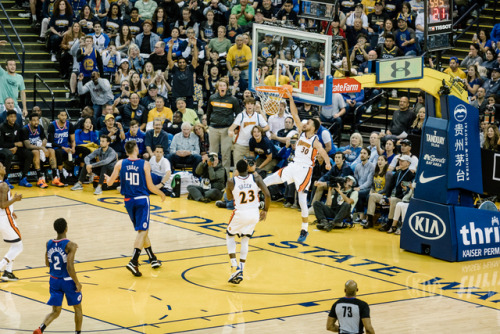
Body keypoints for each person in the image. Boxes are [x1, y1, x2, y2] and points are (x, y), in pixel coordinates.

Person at [264, 90, 331, 242]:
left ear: (314, 128)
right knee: (270, 179)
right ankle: (251, 196)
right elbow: (294, 114)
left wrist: (327, 162)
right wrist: (291, 98)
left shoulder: (315, 140)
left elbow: (322, 150)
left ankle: (304, 230)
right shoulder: (301, 132)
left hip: (305, 169)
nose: (305, 123)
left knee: (302, 200)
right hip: (294, 165)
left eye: (309, 123)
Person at [105, 140, 166, 277]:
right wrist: (161, 193)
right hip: (142, 199)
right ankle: (133, 260)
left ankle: (152, 258)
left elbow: (109, 183)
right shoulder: (145, 164)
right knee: (143, 230)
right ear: (136, 150)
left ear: (126, 151)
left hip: (128, 201)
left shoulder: (120, 163)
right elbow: (150, 186)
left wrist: (108, 178)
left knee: (141, 231)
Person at [33, 218, 82, 334]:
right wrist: (77, 283)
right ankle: (78, 333)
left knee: (56, 311)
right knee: (78, 308)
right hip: (67, 281)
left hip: (54, 280)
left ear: (56, 229)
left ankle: (41, 328)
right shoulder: (71, 245)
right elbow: (70, 267)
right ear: (66, 228)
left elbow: (47, 263)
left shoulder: (49, 243)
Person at [225, 159, 270, 284]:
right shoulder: (256, 179)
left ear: (237, 170)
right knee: (245, 239)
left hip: (241, 213)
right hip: (254, 213)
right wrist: (265, 210)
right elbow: (267, 195)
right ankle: (241, 270)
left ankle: (234, 267)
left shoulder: (231, 181)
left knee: (229, 236)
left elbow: (229, 198)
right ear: (248, 168)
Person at [207, 79, 240, 175]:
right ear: (217, 87)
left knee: (225, 154)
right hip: (213, 128)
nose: (222, 87)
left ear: (227, 87)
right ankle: (211, 174)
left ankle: (224, 176)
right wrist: (209, 125)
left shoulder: (233, 99)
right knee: (213, 153)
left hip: (226, 129)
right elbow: (208, 113)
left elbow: (238, 115)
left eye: (223, 85)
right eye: (220, 85)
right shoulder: (212, 98)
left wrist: (236, 128)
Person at [0, 162, 23, 281]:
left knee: (15, 245)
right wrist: (15, 199)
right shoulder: (3, 185)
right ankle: (1, 266)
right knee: (19, 246)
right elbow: (3, 204)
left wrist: (11, 209)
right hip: (5, 219)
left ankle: (8, 272)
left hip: (3, 217)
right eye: (1, 166)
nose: (4, 167)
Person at [21, 113, 53, 189]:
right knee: (36, 152)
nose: (36, 122)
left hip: (38, 147)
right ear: (30, 121)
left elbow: (44, 138)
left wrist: (43, 146)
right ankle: (39, 178)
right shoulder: (25, 129)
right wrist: (41, 148)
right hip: (26, 149)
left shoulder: (40, 127)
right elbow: (28, 146)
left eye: (37, 120)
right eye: (34, 120)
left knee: (51, 151)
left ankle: (55, 176)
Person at [0, 52, 28, 117]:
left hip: (15, 105)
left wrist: (24, 108)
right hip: (2, 105)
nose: (13, 67)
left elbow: (22, 93)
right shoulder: (2, 74)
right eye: (10, 65)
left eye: (14, 65)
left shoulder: (20, 77)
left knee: (19, 122)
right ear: (6, 67)